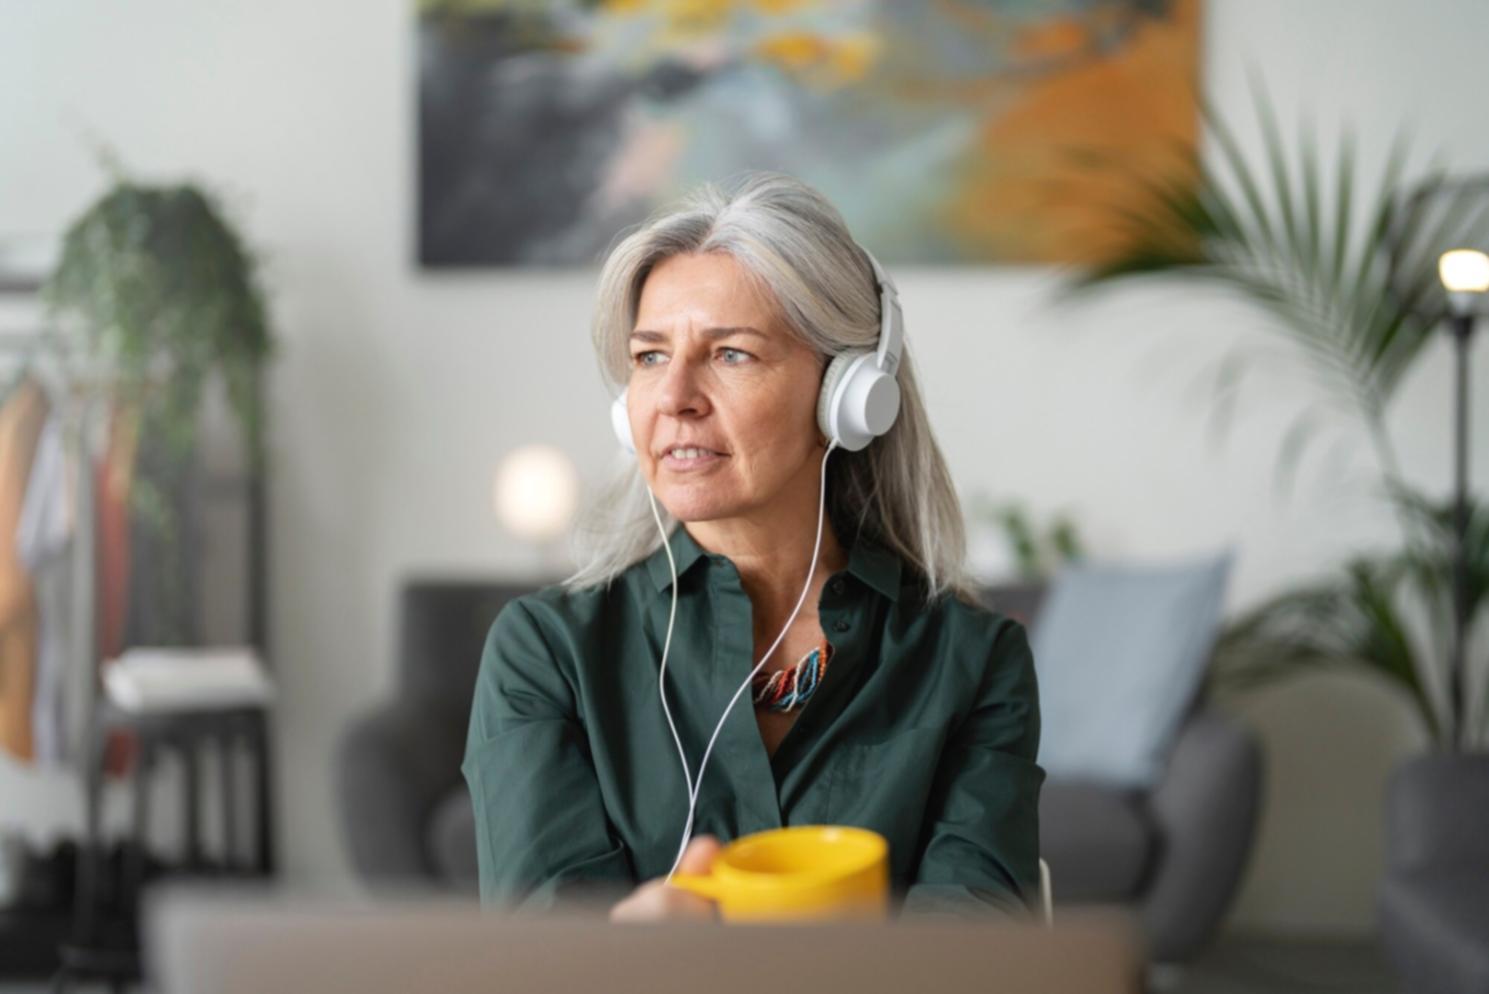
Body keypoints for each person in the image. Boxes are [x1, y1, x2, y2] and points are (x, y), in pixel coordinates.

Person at [462, 171, 1043, 922]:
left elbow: (974, 959)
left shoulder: (969, 660)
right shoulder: (546, 652)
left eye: (730, 354)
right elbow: (542, 955)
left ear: (849, 396)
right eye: (648, 358)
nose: (673, 398)